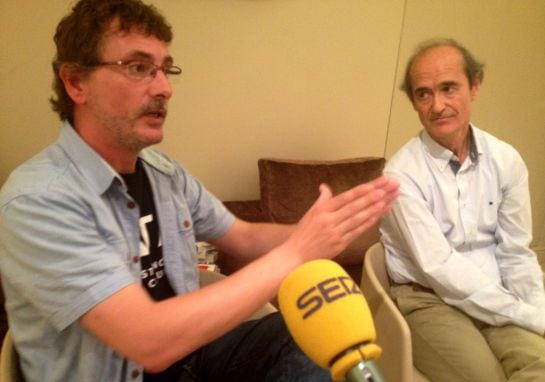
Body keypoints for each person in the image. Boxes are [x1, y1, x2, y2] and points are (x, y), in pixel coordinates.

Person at [0, 1, 399, 381]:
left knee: (305, 336)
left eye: (164, 69)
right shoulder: (38, 201)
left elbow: (242, 235)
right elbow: (148, 341)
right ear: (75, 82)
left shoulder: (164, 173)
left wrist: (320, 229)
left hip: (189, 360)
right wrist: (296, 252)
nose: (164, 88)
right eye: (139, 67)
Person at [380, 38, 545, 381]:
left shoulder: (506, 160)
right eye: (423, 93)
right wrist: (525, 316)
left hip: (494, 288)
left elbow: (516, 253)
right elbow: (439, 268)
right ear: (414, 102)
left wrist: (537, 310)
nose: (437, 105)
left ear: (475, 85)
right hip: (430, 298)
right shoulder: (400, 176)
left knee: (538, 365)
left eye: (448, 88)